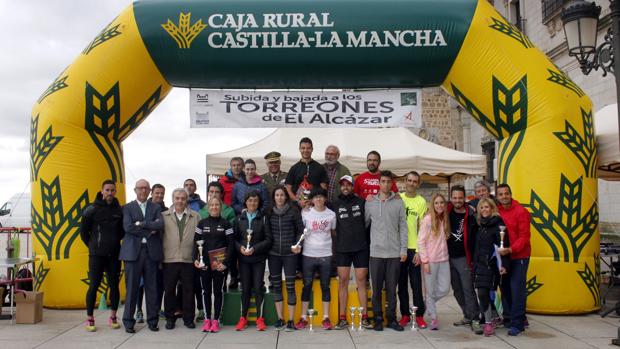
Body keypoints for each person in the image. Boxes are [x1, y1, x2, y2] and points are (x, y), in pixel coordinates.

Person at [365, 170, 407, 332]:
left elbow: (403, 227)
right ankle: (377, 319)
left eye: (389, 182)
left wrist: (403, 250)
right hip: (375, 253)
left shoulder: (398, 202)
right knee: (376, 290)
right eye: (383, 181)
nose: (386, 184)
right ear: (379, 183)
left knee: (391, 289)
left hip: (394, 253)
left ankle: (391, 319)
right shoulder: (370, 203)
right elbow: (364, 224)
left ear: (392, 183)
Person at [120, 179, 164, 333]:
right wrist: (148, 229)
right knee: (132, 289)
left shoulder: (156, 207)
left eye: (146, 188)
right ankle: (128, 322)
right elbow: (128, 227)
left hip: (151, 252)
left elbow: (160, 225)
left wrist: (142, 223)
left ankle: (153, 321)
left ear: (150, 190)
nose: (143, 191)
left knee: (152, 288)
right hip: (133, 253)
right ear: (135, 190)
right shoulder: (127, 208)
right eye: (140, 188)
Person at [80, 179, 124, 332]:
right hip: (97, 256)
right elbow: (84, 233)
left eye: (112, 190)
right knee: (94, 285)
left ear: (115, 191)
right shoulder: (91, 209)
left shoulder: (119, 210)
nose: (110, 193)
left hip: (114, 255)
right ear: (102, 190)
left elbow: (122, 232)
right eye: (107, 190)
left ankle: (113, 316)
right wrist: (94, 247)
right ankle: (90, 318)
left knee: (114, 286)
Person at [332, 175, 372, 330]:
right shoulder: (334, 203)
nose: (346, 187)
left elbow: (368, 221)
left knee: (362, 281)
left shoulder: (362, 202)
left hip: (361, 248)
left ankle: (365, 317)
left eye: (348, 184)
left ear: (353, 186)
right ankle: (342, 318)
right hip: (342, 249)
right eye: (343, 185)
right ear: (340, 187)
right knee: (342, 281)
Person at [296, 188, 337, 330]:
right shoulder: (305, 213)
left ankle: (326, 318)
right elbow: (301, 233)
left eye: (321, 197)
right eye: (316, 197)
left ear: (325, 199)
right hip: (308, 254)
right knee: (306, 286)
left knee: (325, 286)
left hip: (325, 254)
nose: (319, 199)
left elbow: (333, 233)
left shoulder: (331, 214)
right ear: (312, 200)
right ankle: (303, 317)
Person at [194, 196, 235, 333]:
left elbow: (230, 245)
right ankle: (207, 319)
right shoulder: (201, 223)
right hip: (204, 264)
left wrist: (225, 263)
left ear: (221, 207)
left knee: (218, 292)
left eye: (217, 205)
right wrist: (197, 259)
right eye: (211, 205)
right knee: (206, 292)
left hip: (219, 265)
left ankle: (216, 320)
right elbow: (196, 243)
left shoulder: (226, 224)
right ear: (208, 207)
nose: (214, 207)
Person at [161, 188, 200, 330]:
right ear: (173, 199)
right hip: (169, 259)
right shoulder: (163, 216)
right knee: (169, 290)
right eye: (177, 198)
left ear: (186, 200)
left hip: (188, 259)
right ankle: (170, 318)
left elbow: (199, 239)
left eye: (183, 198)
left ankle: (188, 318)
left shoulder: (195, 216)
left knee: (189, 291)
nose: (180, 201)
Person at [266, 185, 304, 331]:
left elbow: (301, 231)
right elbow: (267, 233)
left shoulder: (293, 211)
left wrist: (296, 245)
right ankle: (280, 318)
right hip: (274, 254)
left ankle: (290, 320)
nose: (280, 198)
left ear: (286, 197)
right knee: (276, 286)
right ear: (273, 197)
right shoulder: (269, 212)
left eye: (282, 195)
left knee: (290, 286)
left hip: (290, 254)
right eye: (277, 195)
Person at [234, 191, 272, 331]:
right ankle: (242, 318)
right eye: (250, 200)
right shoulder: (239, 218)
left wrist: (254, 249)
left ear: (259, 203)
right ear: (246, 202)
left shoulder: (263, 219)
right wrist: (241, 248)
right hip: (243, 259)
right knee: (245, 289)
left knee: (257, 287)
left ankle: (260, 319)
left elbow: (268, 240)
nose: (252, 203)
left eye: (255, 201)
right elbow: (235, 239)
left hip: (258, 259)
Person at [497, 183, 531, 336]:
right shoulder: (497, 212)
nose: (504, 196)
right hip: (504, 258)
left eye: (506, 193)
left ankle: (518, 324)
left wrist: (511, 249)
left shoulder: (521, 211)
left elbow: (524, 237)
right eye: (501, 194)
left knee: (517, 290)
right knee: (505, 289)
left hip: (519, 256)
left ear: (510, 194)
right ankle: (510, 318)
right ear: (497, 197)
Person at [473, 198, 510, 336]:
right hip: (479, 265)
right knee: (482, 294)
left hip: (491, 266)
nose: (484, 210)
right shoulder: (480, 224)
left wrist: (504, 265)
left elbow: (503, 246)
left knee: (484, 293)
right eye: (481, 207)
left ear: (492, 208)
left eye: (486, 207)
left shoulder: (498, 225)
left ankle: (488, 323)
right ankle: (494, 316)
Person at [397, 171, 428, 329]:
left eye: (415, 181)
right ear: (405, 181)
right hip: (399, 249)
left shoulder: (421, 202)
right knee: (401, 284)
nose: (411, 183)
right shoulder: (398, 198)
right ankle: (405, 315)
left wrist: (418, 251)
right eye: (409, 180)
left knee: (416, 284)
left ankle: (420, 315)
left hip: (414, 249)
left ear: (418, 184)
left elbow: (423, 229)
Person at [447, 185, 480, 332]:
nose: (457, 200)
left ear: (464, 198)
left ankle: (475, 319)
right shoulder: (446, 210)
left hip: (464, 258)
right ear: (451, 198)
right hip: (447, 257)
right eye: (454, 198)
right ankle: (467, 315)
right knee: (457, 290)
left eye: (460, 197)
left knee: (468, 289)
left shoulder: (471, 213)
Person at [418, 193, 451, 331]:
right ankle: (433, 318)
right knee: (430, 290)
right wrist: (424, 261)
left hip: (444, 259)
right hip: (430, 261)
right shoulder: (427, 219)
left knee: (445, 288)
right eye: (436, 203)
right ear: (432, 205)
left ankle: (427, 303)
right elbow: (421, 241)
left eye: (442, 203)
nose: (439, 205)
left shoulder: (445, 219)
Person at [136, 183, 167, 324]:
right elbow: (138, 226)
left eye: (162, 193)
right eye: (157, 193)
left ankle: (155, 310)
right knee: (140, 285)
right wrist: (150, 227)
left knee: (157, 284)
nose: (159, 195)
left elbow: (160, 227)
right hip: (141, 250)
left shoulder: (165, 210)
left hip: (158, 252)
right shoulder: (143, 208)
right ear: (151, 193)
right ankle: (139, 310)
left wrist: (147, 224)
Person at [202, 181, 237, 291]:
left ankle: (221, 307)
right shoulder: (201, 210)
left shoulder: (229, 210)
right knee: (206, 288)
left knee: (220, 287)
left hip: (221, 253)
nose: (214, 194)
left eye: (217, 192)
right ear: (208, 193)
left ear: (221, 194)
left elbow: (231, 232)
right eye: (211, 191)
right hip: (206, 253)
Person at [184, 178, 207, 321]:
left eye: (191, 185)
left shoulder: (201, 205)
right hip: (181, 252)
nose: (189, 187)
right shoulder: (176, 205)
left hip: (198, 249)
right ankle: (183, 310)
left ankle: (201, 309)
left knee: (198, 283)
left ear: (196, 187)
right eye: (186, 185)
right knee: (184, 284)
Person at [285, 137, 328, 208]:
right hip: (297, 208)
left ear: (312, 149)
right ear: (299, 149)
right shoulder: (294, 168)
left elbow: (324, 188)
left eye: (308, 148)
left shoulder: (320, 168)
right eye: (303, 148)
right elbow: (288, 188)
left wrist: (314, 201)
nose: (305, 150)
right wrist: (298, 201)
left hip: (315, 207)